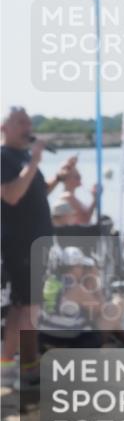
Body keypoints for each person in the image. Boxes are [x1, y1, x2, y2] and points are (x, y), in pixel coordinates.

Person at [1, 107, 72, 386]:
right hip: (20, 242)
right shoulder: (4, 157)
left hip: (37, 241)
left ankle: (9, 366)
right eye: (21, 122)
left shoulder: (23, 157)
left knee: (23, 305)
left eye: (29, 123)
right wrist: (34, 161)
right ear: (4, 128)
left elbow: (36, 193)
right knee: (28, 306)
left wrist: (58, 178)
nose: (28, 128)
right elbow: (11, 195)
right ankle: (25, 367)